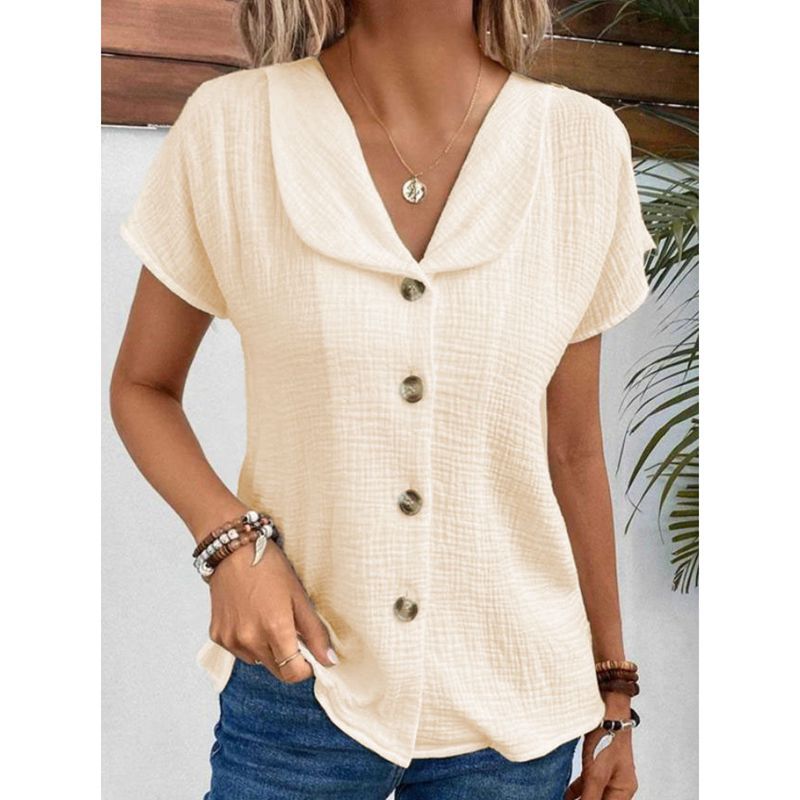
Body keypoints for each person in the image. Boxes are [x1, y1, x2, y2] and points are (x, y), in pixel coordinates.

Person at [110, 1, 654, 798]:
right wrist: (227, 543)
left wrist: (614, 694)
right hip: (299, 687)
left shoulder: (581, 146)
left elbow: (570, 445)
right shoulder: (231, 129)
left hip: (515, 710)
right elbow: (142, 386)